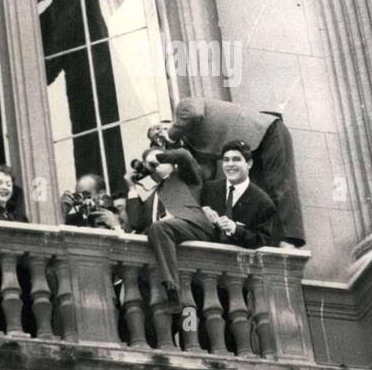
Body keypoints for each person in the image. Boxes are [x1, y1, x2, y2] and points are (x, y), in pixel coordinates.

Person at [160, 97, 304, 248]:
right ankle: (269, 242)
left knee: (279, 184)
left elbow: (194, 113)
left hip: (266, 131)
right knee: (256, 197)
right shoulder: (192, 144)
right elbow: (206, 177)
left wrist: (170, 136)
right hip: (248, 153)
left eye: (159, 128)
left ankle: (290, 240)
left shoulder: (185, 106)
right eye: (154, 137)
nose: (158, 134)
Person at [125, 146, 214, 314]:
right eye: (150, 164)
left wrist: (161, 157)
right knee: (187, 316)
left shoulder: (184, 177)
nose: (155, 166)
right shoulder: (147, 189)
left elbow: (184, 156)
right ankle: (173, 295)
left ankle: (172, 288)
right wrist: (132, 188)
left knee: (160, 227)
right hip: (166, 243)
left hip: (192, 227)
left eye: (159, 162)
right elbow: (136, 222)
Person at [200, 140, 280, 249]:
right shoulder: (209, 189)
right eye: (226, 160)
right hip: (205, 259)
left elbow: (263, 241)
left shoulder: (263, 203)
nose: (230, 164)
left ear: (249, 164)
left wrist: (235, 229)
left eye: (236, 159)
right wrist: (201, 212)